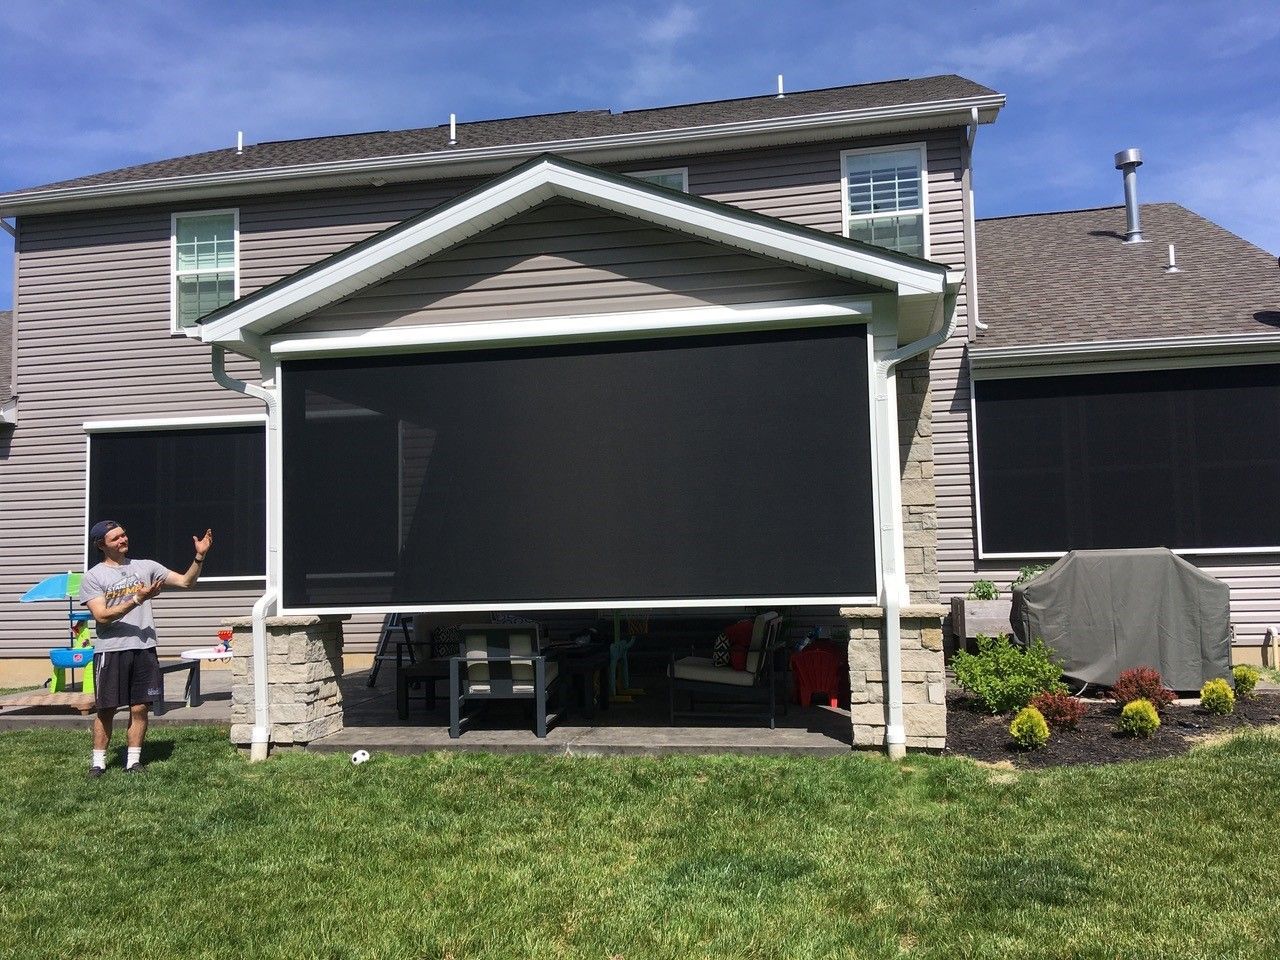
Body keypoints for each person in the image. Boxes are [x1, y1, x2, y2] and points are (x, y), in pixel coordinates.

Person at [79, 520, 213, 777]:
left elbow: (186, 582)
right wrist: (138, 598)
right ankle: (98, 763)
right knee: (106, 708)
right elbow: (102, 615)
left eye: (123, 535)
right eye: (115, 538)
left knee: (140, 707)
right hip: (111, 650)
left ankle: (133, 762)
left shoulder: (146, 567)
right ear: (101, 545)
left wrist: (199, 556)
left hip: (144, 648)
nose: (123, 540)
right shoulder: (94, 576)